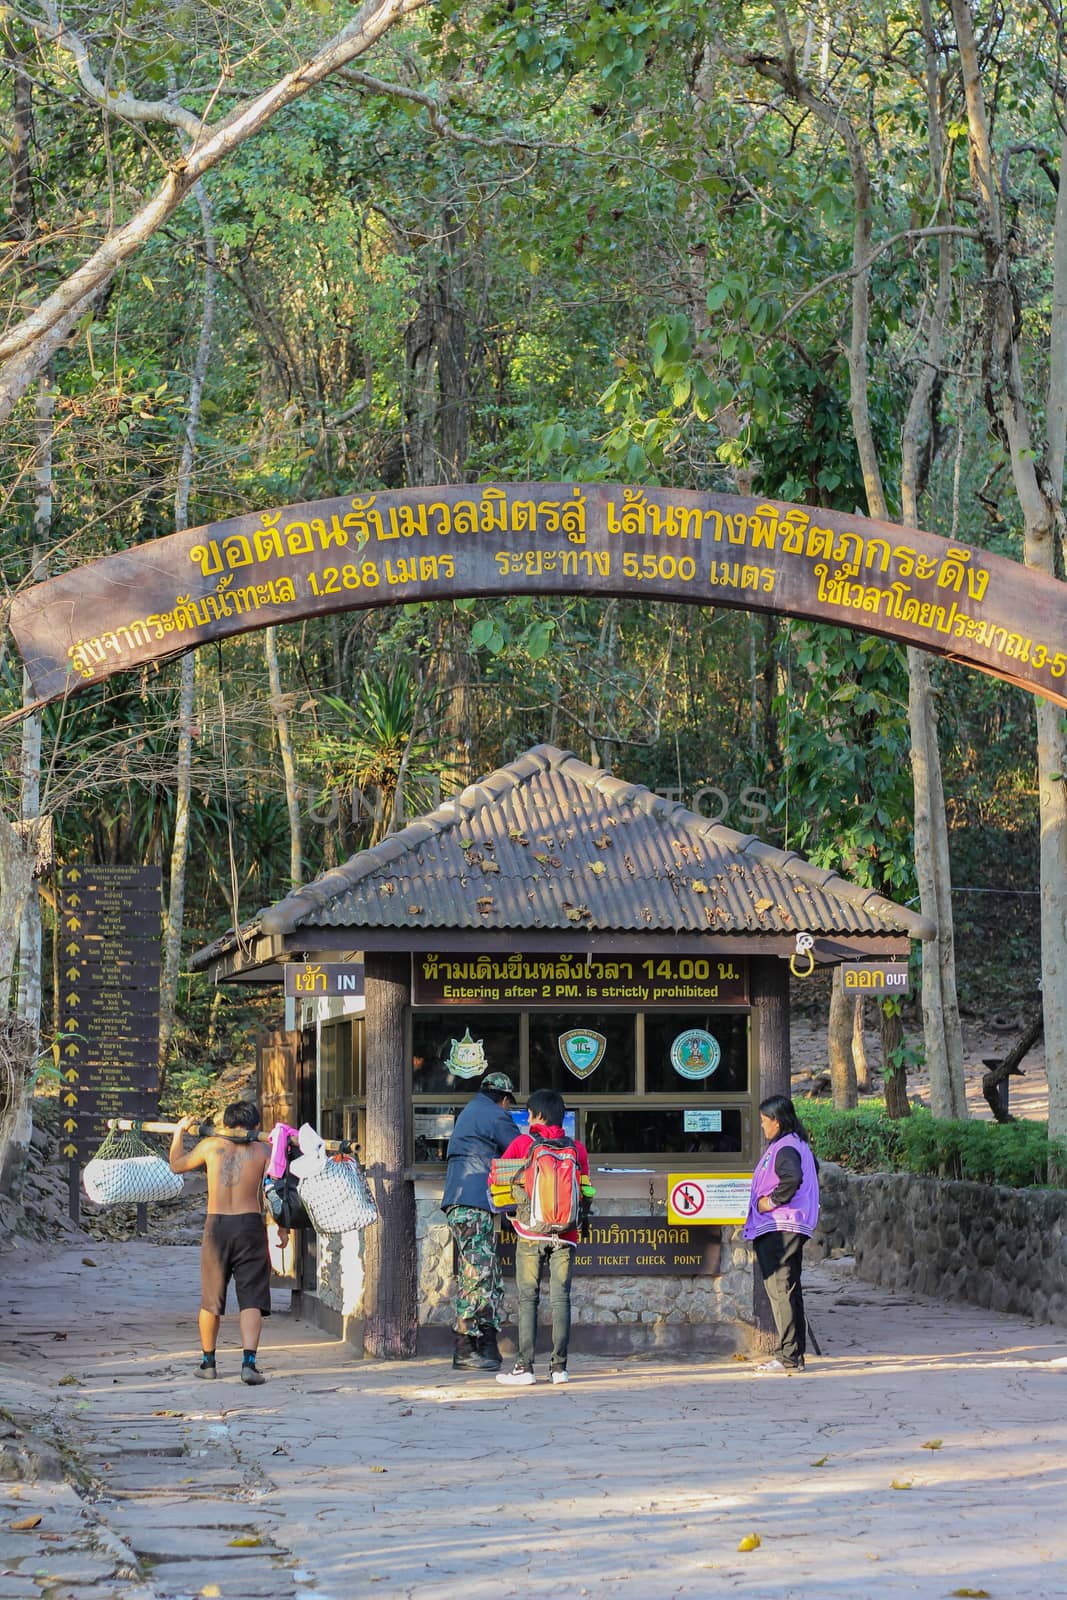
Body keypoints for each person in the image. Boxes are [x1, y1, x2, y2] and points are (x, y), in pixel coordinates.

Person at [169, 1101, 286, 1385]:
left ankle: (208, 1363)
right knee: (252, 1299)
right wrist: (282, 1228)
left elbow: (176, 1165)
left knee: (211, 1299)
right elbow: (275, 1192)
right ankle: (249, 1363)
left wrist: (178, 1133)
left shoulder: (210, 1146)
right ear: (256, 1126)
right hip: (249, 1226)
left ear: (226, 1123)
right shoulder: (263, 1150)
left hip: (217, 1227)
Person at [495, 1089, 590, 1388]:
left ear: (535, 1116)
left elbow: (496, 1178)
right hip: (567, 1234)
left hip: (530, 1232)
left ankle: (524, 1368)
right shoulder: (577, 1149)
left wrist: (517, 1203)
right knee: (561, 1297)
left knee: (528, 1298)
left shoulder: (523, 1143)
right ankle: (559, 1369)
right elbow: (585, 1190)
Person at [442, 1070, 517, 1371]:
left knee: (487, 1274)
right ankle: (465, 1348)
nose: (510, 1108)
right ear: (503, 1099)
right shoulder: (494, 1115)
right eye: (510, 1103)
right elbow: (519, 1149)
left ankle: (486, 1343)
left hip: (462, 1204)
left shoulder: (471, 1110)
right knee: (477, 1277)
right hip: (474, 1204)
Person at [742, 1093, 820, 1374]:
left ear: (777, 1121)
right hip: (788, 1226)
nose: (762, 1126)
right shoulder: (796, 1144)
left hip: (780, 1225)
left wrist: (770, 1201)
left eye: (764, 1121)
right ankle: (793, 1354)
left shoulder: (786, 1148)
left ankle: (788, 1357)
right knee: (789, 1291)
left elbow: (793, 1178)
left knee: (780, 1291)